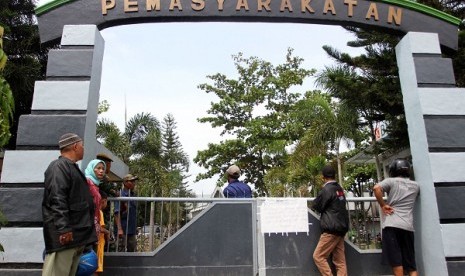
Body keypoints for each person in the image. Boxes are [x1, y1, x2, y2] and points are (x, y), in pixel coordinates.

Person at [42, 133, 97, 276]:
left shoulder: (70, 167)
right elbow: (57, 198)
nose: (83, 148)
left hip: (75, 236)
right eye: (82, 145)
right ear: (75, 146)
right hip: (65, 237)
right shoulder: (59, 167)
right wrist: (63, 228)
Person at [373, 159, 420, 276]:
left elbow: (376, 188)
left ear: (393, 170)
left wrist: (383, 205)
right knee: (411, 265)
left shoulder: (391, 181)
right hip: (408, 227)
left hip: (392, 225)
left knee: (397, 262)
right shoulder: (416, 186)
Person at [312, 165, 349, 276]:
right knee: (340, 261)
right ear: (334, 175)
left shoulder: (327, 189)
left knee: (318, 256)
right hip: (341, 228)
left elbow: (316, 205)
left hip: (331, 229)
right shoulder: (339, 189)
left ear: (323, 177)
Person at [114, 173, 139, 252]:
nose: (133, 183)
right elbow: (116, 213)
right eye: (131, 181)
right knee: (121, 252)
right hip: (123, 230)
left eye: (134, 181)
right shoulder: (121, 195)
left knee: (132, 251)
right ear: (125, 182)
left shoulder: (132, 195)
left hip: (131, 230)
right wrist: (119, 229)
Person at [84, 159, 106, 239]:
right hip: (87, 225)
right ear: (91, 169)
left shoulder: (95, 185)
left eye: (103, 169)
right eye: (98, 168)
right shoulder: (87, 182)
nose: (101, 171)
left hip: (94, 224)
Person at [96, 190, 110, 275]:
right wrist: (107, 232)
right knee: (96, 268)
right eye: (106, 202)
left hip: (97, 243)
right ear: (103, 201)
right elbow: (100, 228)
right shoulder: (99, 212)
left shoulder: (95, 211)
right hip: (99, 244)